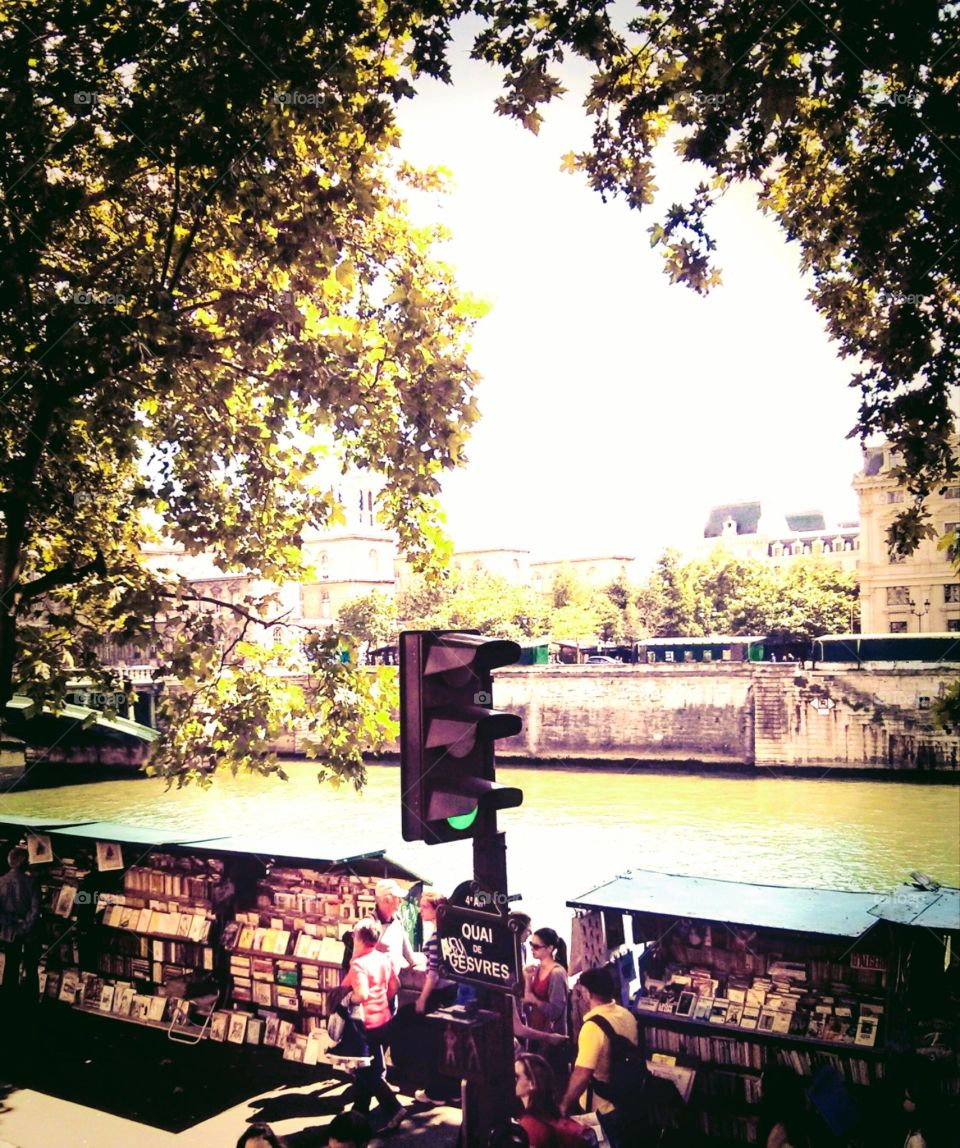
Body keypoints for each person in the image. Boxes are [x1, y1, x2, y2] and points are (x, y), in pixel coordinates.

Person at [560, 966, 640, 1148]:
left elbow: (582, 1074)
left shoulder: (592, 1027)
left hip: (600, 1107)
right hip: (625, 1098)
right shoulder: (626, 1015)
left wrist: (564, 1105)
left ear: (587, 993)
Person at [341, 918, 407, 1131]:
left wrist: (346, 1000)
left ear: (359, 939)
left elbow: (361, 994)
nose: (352, 937)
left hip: (365, 1025)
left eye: (354, 935)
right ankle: (359, 1111)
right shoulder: (382, 958)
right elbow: (395, 985)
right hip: (384, 1021)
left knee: (364, 1071)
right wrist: (382, 1002)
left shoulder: (359, 964)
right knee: (369, 1067)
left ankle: (394, 1108)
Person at [0, 847, 40, 993]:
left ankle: (7, 1001)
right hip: (28, 932)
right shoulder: (32, 882)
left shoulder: (1, 882)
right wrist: (24, 928)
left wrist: (10, 927)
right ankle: (30, 1003)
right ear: (24, 863)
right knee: (31, 967)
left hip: (9, 932)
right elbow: (35, 911)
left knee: (10, 965)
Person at [522, 927, 568, 1038]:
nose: (532, 949)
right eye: (531, 944)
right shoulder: (538, 968)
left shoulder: (557, 973)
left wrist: (536, 1001)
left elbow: (555, 1012)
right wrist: (527, 979)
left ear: (550, 948)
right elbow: (528, 998)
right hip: (536, 1030)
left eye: (536, 946)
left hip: (552, 1035)